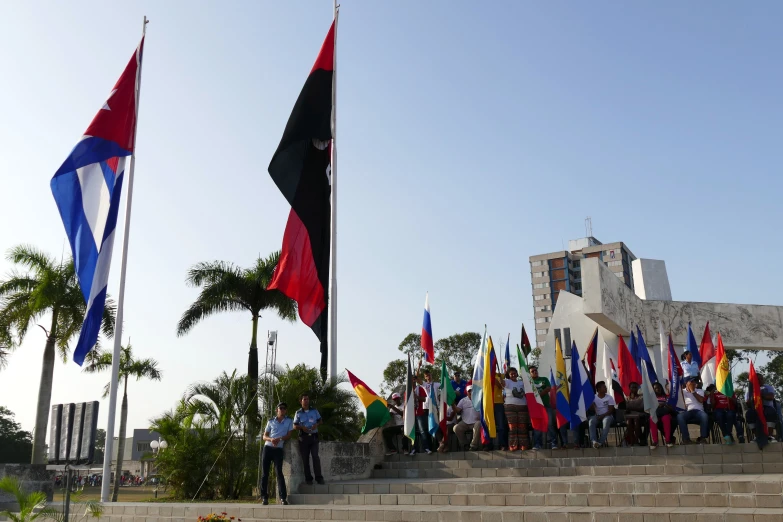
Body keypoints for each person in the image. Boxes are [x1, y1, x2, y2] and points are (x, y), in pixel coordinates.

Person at [261, 402, 294, 505]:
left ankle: (283, 498)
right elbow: (264, 436)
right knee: (264, 473)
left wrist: (279, 439)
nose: (282, 410)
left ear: (286, 410)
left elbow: (289, 435)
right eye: (281, 408)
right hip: (268, 448)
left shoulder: (289, 421)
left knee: (279, 473)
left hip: (278, 449)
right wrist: (271, 439)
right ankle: (264, 497)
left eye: (284, 408)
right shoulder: (271, 421)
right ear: (277, 410)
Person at [293, 392, 324, 485]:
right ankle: (309, 479)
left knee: (315, 457)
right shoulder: (298, 413)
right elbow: (294, 426)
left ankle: (319, 478)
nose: (306, 401)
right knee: (305, 459)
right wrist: (302, 427)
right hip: (303, 437)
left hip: (314, 437)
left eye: (307, 399)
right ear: (300, 401)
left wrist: (316, 425)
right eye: (304, 399)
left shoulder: (314, 411)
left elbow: (320, 421)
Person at [503, 367, 529, 451]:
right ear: (508, 375)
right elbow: (500, 383)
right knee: (512, 427)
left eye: (514, 373)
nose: (513, 375)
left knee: (522, 426)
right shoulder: (507, 382)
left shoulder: (522, 382)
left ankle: (523, 445)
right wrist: (498, 376)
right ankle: (513, 445)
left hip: (522, 407)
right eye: (511, 373)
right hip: (510, 407)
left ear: (517, 373)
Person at [678, 377, 709, 444]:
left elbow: (701, 400)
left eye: (694, 382)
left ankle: (703, 438)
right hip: (688, 412)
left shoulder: (699, 391)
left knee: (704, 416)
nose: (694, 383)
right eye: (691, 382)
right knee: (680, 417)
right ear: (687, 383)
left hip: (699, 411)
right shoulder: (682, 392)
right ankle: (686, 439)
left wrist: (693, 391)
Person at [453, 385, 481, 450]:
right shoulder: (463, 400)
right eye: (469, 391)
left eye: (472, 391)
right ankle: (465, 444)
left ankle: (473, 445)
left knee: (479, 424)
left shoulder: (479, 400)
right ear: (467, 392)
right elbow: (457, 410)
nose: (471, 392)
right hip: (465, 422)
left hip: (476, 422)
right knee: (456, 428)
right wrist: (452, 404)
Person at [589, 381, 616, 449]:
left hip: (607, 416)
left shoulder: (609, 397)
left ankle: (600, 442)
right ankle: (594, 441)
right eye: (604, 387)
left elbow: (610, 411)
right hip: (597, 416)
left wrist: (602, 416)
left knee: (606, 421)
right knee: (591, 421)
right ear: (598, 389)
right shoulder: (593, 397)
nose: (606, 388)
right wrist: (591, 405)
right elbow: (591, 408)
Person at [529, 366, 551, 450]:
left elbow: (548, 388)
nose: (535, 372)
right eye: (532, 371)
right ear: (530, 374)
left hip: (546, 405)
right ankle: (538, 444)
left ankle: (553, 442)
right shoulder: (529, 382)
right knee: (537, 426)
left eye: (535, 370)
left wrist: (538, 395)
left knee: (550, 423)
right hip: (535, 407)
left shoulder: (544, 379)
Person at [411, 373, 432, 455]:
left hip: (420, 413)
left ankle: (426, 448)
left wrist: (416, 397)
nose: (412, 381)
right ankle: (414, 449)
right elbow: (406, 404)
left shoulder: (420, 388)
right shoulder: (407, 391)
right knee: (412, 432)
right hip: (411, 414)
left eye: (414, 379)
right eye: (411, 379)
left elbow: (425, 399)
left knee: (422, 431)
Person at [651, 382, 674, 448]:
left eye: (659, 387)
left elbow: (671, 407)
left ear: (661, 388)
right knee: (652, 419)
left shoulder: (666, 397)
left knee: (666, 418)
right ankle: (655, 441)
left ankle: (668, 440)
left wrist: (664, 404)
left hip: (665, 413)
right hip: (656, 414)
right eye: (655, 388)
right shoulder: (651, 398)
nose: (657, 389)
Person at [624, 382, 648, 446]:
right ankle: (632, 440)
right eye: (632, 387)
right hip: (629, 417)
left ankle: (636, 440)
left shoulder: (641, 397)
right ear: (629, 388)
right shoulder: (627, 398)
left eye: (635, 387)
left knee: (636, 421)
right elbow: (626, 409)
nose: (634, 389)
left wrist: (632, 407)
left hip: (640, 416)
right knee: (629, 422)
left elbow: (642, 408)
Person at [493, 371, 508, 451]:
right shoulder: (483, 374)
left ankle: (503, 444)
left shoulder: (499, 375)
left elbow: (501, 386)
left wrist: (493, 377)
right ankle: (488, 445)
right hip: (488, 403)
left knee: (501, 425)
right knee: (489, 425)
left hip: (498, 403)